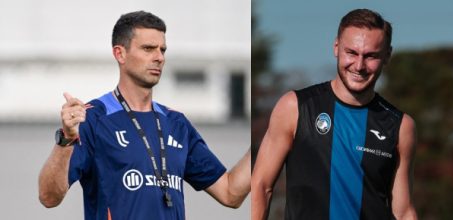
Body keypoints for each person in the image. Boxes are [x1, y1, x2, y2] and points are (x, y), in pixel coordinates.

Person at [38, 11, 250, 220]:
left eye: (162, 50)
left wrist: (265, 140)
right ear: (120, 54)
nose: (159, 57)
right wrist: (66, 139)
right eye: (148, 49)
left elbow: (230, 193)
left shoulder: (176, 123)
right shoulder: (93, 118)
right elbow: (49, 197)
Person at [251, 9, 417, 220]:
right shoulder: (295, 107)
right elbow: (261, 186)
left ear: (387, 56)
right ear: (336, 47)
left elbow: (403, 212)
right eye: (352, 53)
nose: (359, 65)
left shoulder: (400, 126)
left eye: (371, 56)